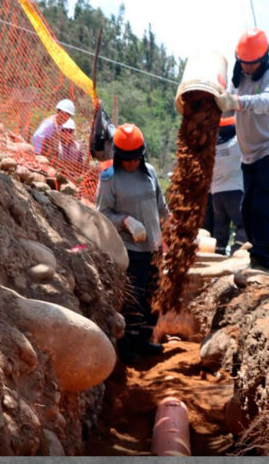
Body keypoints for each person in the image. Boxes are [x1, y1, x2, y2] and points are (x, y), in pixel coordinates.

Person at [214, 28, 269, 272]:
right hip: (249, 155)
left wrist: (237, 102)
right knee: (247, 210)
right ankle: (256, 253)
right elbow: (229, 96)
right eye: (243, 63)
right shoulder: (241, 78)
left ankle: (263, 261)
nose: (247, 68)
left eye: (252, 64)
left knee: (263, 205)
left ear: (263, 59)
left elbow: (268, 102)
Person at [96, 123, 169, 364]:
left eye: (136, 158)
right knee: (133, 298)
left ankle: (145, 340)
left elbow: (161, 206)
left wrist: (171, 227)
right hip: (131, 249)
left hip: (154, 248)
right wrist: (124, 220)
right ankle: (127, 345)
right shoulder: (110, 179)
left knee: (151, 295)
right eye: (127, 159)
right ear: (118, 156)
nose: (131, 163)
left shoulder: (149, 172)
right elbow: (102, 212)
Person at [211, 116, 247, 255]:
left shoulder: (213, 148)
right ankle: (236, 250)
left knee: (220, 227)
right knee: (243, 224)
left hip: (216, 195)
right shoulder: (236, 144)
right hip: (235, 191)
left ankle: (218, 253)